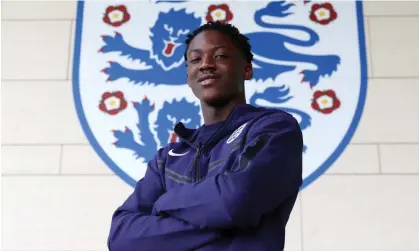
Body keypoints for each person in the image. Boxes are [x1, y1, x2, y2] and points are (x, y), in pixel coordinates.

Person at [107, 21, 303, 251]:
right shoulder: (167, 159)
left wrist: (164, 202)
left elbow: (236, 202)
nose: (206, 65)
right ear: (188, 75)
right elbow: (121, 237)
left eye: (220, 56)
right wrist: (218, 219)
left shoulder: (273, 128)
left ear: (247, 69)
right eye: (195, 59)